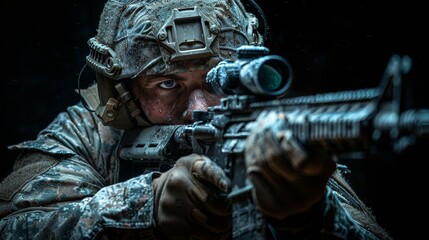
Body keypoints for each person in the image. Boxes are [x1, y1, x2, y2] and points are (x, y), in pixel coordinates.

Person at [0, 0, 392, 239]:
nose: (201, 108)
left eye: (216, 80)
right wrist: (144, 206)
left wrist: (308, 215)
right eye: (168, 84)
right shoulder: (88, 135)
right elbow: (16, 229)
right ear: (124, 92)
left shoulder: (272, 130)